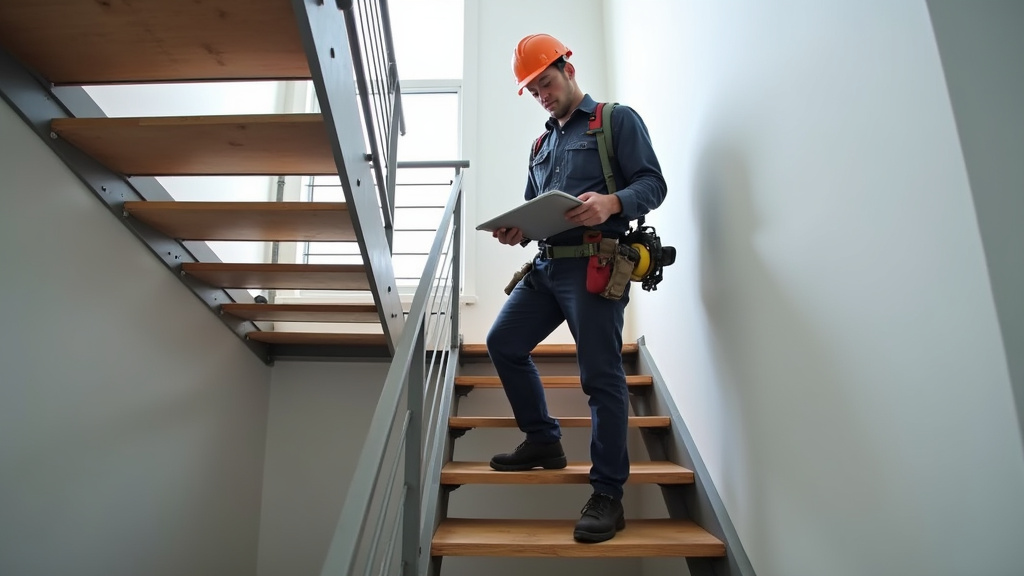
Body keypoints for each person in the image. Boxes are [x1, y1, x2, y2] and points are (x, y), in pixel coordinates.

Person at [486, 33, 667, 544]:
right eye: (533, 90)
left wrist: (612, 204)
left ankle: (608, 494)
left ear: (567, 68)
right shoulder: (541, 145)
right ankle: (544, 440)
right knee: (504, 343)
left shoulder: (615, 120)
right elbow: (533, 209)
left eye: (546, 82)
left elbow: (653, 184)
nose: (542, 95)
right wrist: (517, 230)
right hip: (546, 268)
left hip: (595, 266)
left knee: (600, 378)